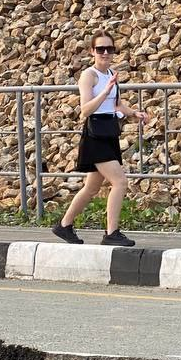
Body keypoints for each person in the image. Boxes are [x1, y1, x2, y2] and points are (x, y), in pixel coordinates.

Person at [53, 32, 150, 247]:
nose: (105, 53)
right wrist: (105, 91)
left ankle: (64, 224)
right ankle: (111, 233)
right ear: (92, 51)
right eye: (100, 49)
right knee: (120, 181)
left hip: (108, 132)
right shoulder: (89, 76)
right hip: (95, 133)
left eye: (110, 49)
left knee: (91, 188)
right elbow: (85, 109)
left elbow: (115, 106)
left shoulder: (112, 74)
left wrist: (135, 113)